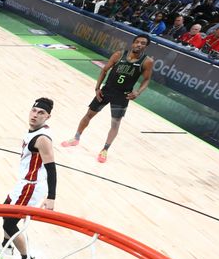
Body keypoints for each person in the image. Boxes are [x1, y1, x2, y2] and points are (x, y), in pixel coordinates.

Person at [61, 35, 154, 163]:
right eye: (137, 42)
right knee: (88, 115)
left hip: (123, 95)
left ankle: (105, 149)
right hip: (107, 90)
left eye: (142, 43)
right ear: (132, 43)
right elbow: (104, 70)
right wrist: (97, 87)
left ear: (146, 46)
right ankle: (76, 138)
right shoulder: (118, 54)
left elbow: (146, 79)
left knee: (115, 123)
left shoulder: (147, 61)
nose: (139, 44)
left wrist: (138, 92)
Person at [0, 98, 56, 259]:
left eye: (41, 113)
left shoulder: (42, 139)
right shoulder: (33, 131)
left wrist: (51, 198)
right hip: (24, 183)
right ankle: (8, 245)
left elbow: (52, 169)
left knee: (9, 224)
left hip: (31, 186)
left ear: (47, 116)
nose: (35, 115)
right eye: (34, 110)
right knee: (4, 209)